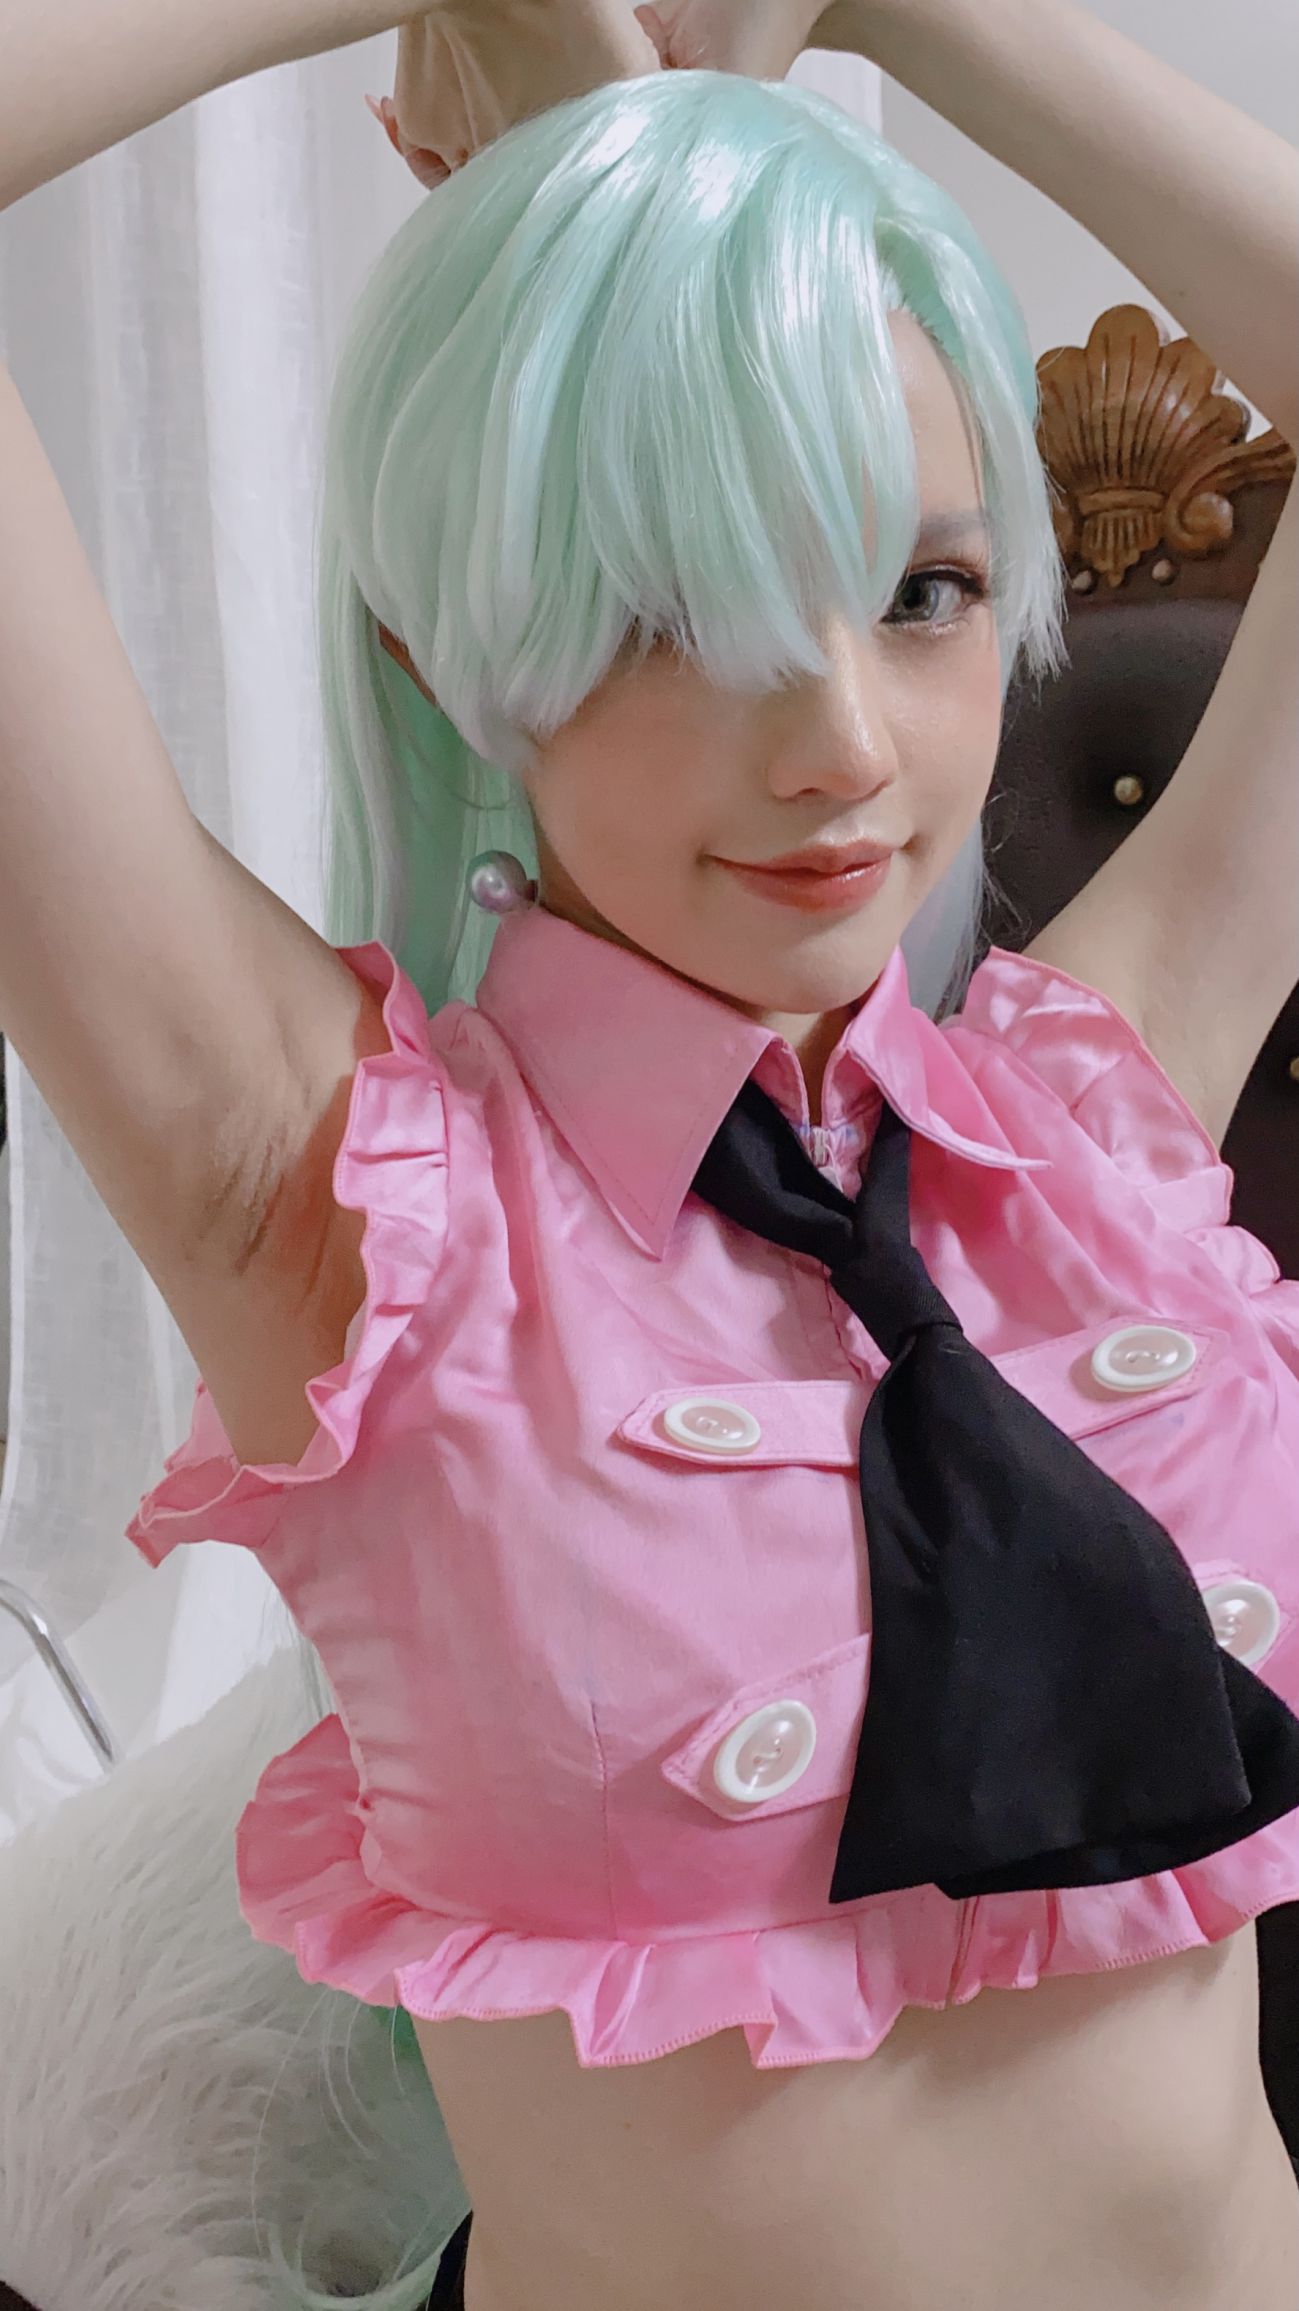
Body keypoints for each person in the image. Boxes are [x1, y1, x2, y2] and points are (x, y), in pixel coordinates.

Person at [1, 1, 1297, 2308]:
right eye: (678, 612)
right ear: (447, 652)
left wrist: (878, 0)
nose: (835, 743)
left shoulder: (1089, 1116)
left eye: (917, 592)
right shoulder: (331, 1202)